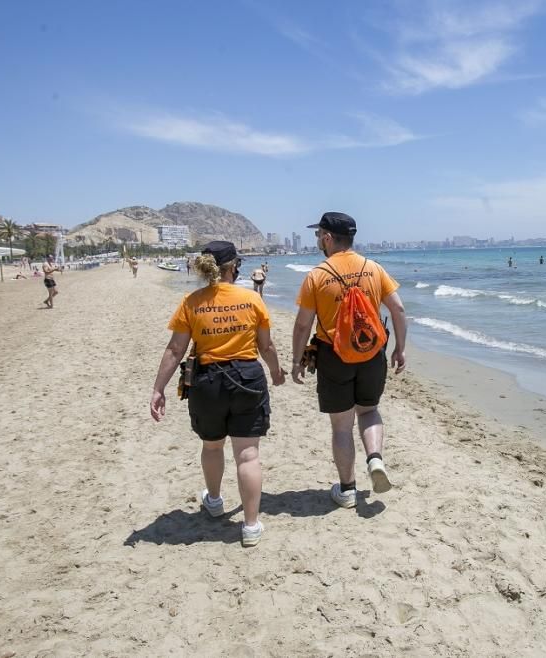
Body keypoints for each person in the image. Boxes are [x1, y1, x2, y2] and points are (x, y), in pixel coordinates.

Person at [150, 240, 286, 547]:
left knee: (212, 447)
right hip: (247, 378)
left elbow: (175, 349)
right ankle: (250, 526)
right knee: (248, 454)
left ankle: (213, 500)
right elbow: (266, 346)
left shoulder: (192, 301)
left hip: (208, 381)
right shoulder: (251, 299)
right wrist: (276, 373)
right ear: (233, 267)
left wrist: (158, 388)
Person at [290, 212, 407, 509]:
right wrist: (400, 349)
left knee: (341, 426)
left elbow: (303, 324)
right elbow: (398, 310)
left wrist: (296, 359)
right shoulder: (374, 268)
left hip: (333, 355)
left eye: (319, 235)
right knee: (369, 412)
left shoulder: (317, 275)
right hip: (371, 353)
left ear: (329, 238)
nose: (317, 240)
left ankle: (347, 490)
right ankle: (375, 459)